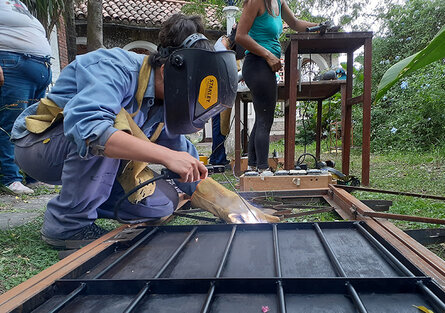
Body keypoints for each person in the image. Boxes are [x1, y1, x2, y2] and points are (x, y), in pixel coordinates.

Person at [11, 14, 278, 249]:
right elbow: (89, 129)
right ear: (168, 68)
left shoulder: (164, 105)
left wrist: (232, 204)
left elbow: (186, 164)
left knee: (163, 203)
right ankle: (67, 225)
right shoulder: (114, 67)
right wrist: (164, 156)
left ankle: (91, 200)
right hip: (40, 146)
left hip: (88, 154)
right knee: (112, 127)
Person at [236, 0, 317, 172]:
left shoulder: (279, 2)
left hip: (268, 65)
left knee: (262, 118)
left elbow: (295, 23)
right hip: (257, 63)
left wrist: (319, 26)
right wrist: (268, 55)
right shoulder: (256, 2)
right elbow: (240, 36)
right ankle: (263, 169)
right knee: (265, 118)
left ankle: (253, 167)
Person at [0, 0, 52, 194]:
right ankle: (10, 178)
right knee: (11, 124)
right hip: (12, 64)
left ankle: (33, 175)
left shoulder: (17, 3)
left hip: (39, 67)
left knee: (35, 124)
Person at [210, 23, 244, 167]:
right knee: (219, 126)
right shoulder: (221, 49)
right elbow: (228, 75)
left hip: (223, 92)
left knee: (221, 127)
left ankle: (220, 157)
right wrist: (244, 74)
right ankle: (217, 159)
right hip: (218, 93)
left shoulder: (225, 45)